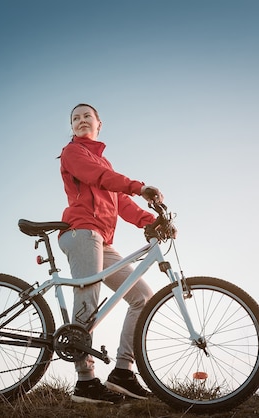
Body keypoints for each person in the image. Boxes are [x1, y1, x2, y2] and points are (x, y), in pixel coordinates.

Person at [58, 103, 164, 404]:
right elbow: (98, 177)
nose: (80, 121)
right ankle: (85, 381)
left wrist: (153, 221)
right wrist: (138, 186)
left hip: (101, 241)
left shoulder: (103, 161)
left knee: (142, 297)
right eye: (75, 118)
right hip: (81, 233)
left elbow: (121, 203)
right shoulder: (73, 153)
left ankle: (122, 373)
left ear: (99, 124)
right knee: (87, 302)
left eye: (86, 117)